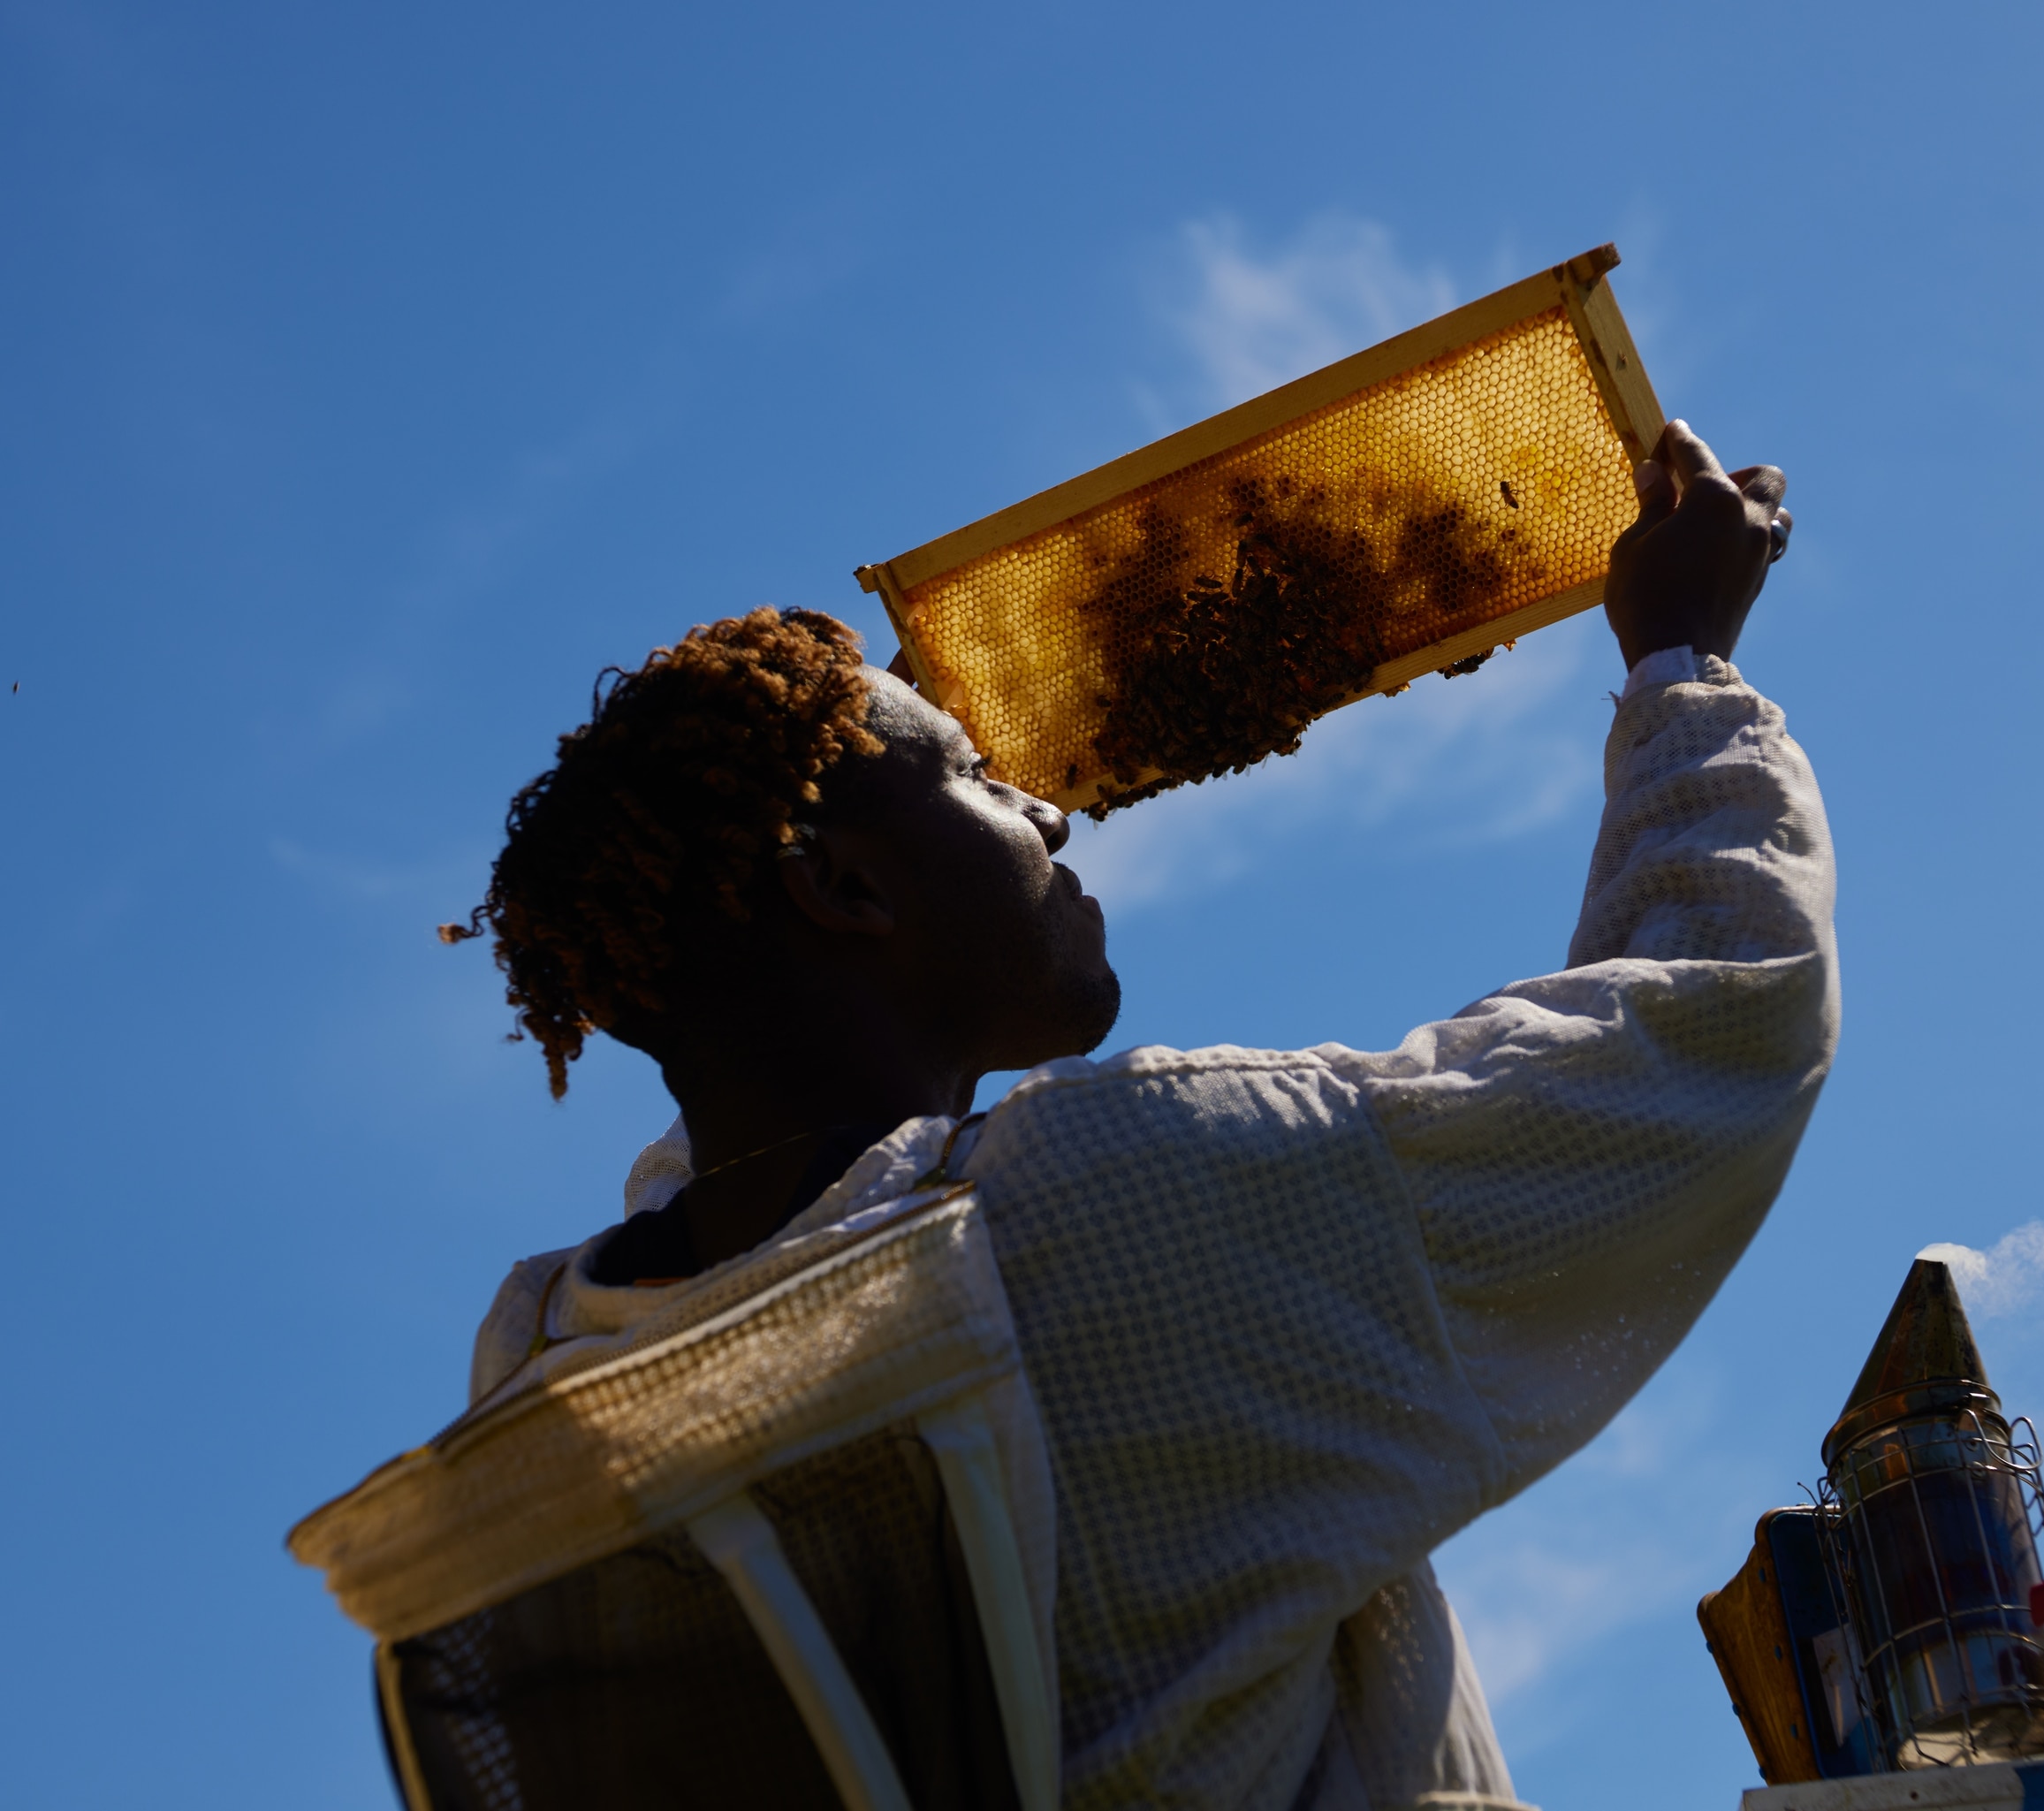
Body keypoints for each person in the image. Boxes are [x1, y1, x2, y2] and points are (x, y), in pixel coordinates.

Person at [447, 420, 1831, 1809]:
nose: (1048, 808)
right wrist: (1682, 663)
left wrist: (884, 817)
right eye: (980, 778)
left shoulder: (546, 1384)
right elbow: (1707, 1019)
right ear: (850, 893)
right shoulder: (1113, 1206)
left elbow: (760, 1168)